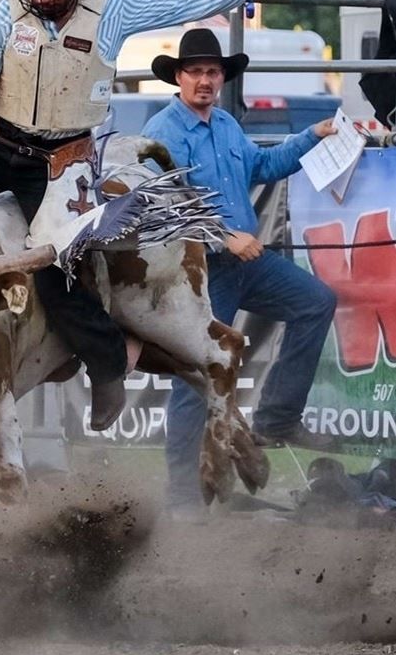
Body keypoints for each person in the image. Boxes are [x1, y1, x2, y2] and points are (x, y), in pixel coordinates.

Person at [0, 0, 297, 432]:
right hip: (0, 142)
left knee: (53, 266)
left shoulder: (112, 7)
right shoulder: (5, 12)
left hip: (61, 160)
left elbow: (186, 2)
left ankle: (107, 361)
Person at [141, 28, 338, 519]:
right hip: (200, 272)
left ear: (222, 77)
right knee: (197, 377)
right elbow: (170, 205)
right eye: (196, 72)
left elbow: (264, 164)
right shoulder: (165, 132)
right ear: (179, 78)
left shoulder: (226, 124)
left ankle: (277, 417)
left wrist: (313, 136)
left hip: (245, 263)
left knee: (316, 301)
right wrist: (225, 235)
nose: (205, 80)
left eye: (213, 72)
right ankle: (182, 496)